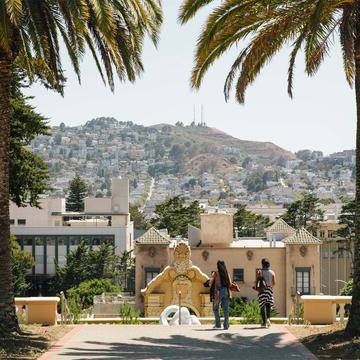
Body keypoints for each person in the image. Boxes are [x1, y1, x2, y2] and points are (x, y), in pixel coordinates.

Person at [210, 261, 232, 330]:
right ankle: (226, 325)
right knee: (226, 309)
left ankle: (218, 324)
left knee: (215, 308)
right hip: (226, 291)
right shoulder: (226, 273)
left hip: (219, 291)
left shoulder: (216, 273)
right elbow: (230, 283)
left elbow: (211, 283)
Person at [256, 258, 276, 328]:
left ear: (262, 264)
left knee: (262, 306)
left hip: (262, 290)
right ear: (268, 264)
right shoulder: (272, 272)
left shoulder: (259, 272)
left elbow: (257, 281)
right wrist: (269, 286)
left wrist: (257, 287)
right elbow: (274, 283)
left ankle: (264, 322)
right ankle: (268, 319)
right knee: (268, 305)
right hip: (269, 290)